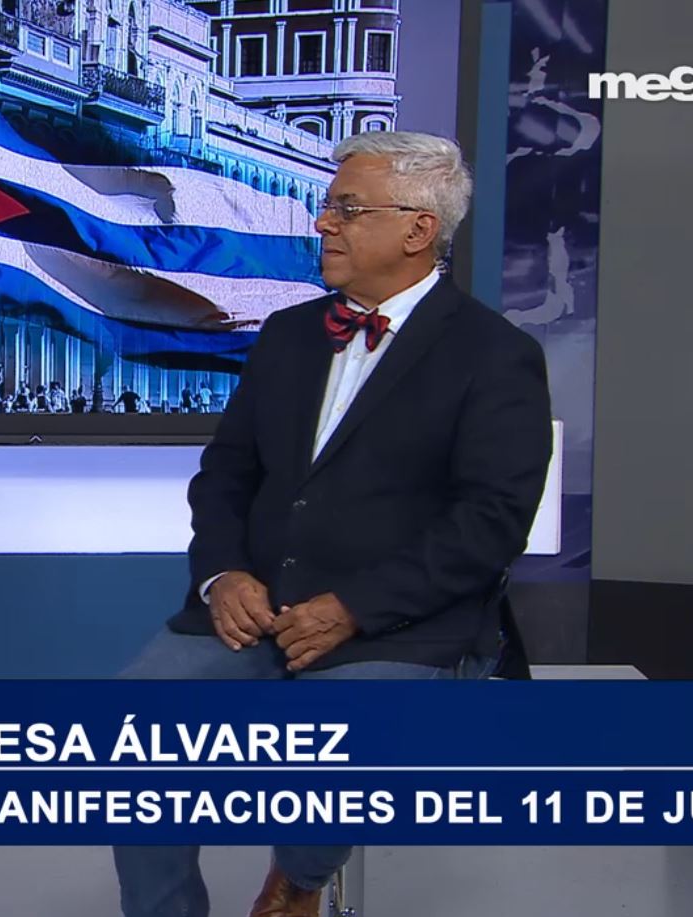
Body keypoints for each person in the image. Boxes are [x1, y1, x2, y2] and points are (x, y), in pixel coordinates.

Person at [111, 131, 553, 917]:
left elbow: (490, 522)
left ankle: (298, 881)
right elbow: (226, 474)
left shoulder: (495, 354)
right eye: (328, 207)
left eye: (348, 209)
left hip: (399, 625)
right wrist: (222, 575)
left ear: (418, 229)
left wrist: (354, 607)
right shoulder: (287, 335)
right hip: (256, 609)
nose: (323, 224)